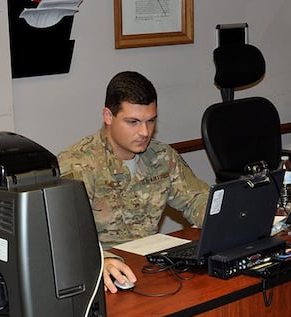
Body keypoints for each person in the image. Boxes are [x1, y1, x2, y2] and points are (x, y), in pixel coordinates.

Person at [58, 71, 210, 293]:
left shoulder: (161, 156)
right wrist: (101, 260)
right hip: (107, 277)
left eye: (151, 121)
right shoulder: (77, 165)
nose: (144, 132)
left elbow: (196, 199)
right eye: (133, 122)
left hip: (151, 269)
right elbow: (63, 236)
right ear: (108, 116)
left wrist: (225, 221)